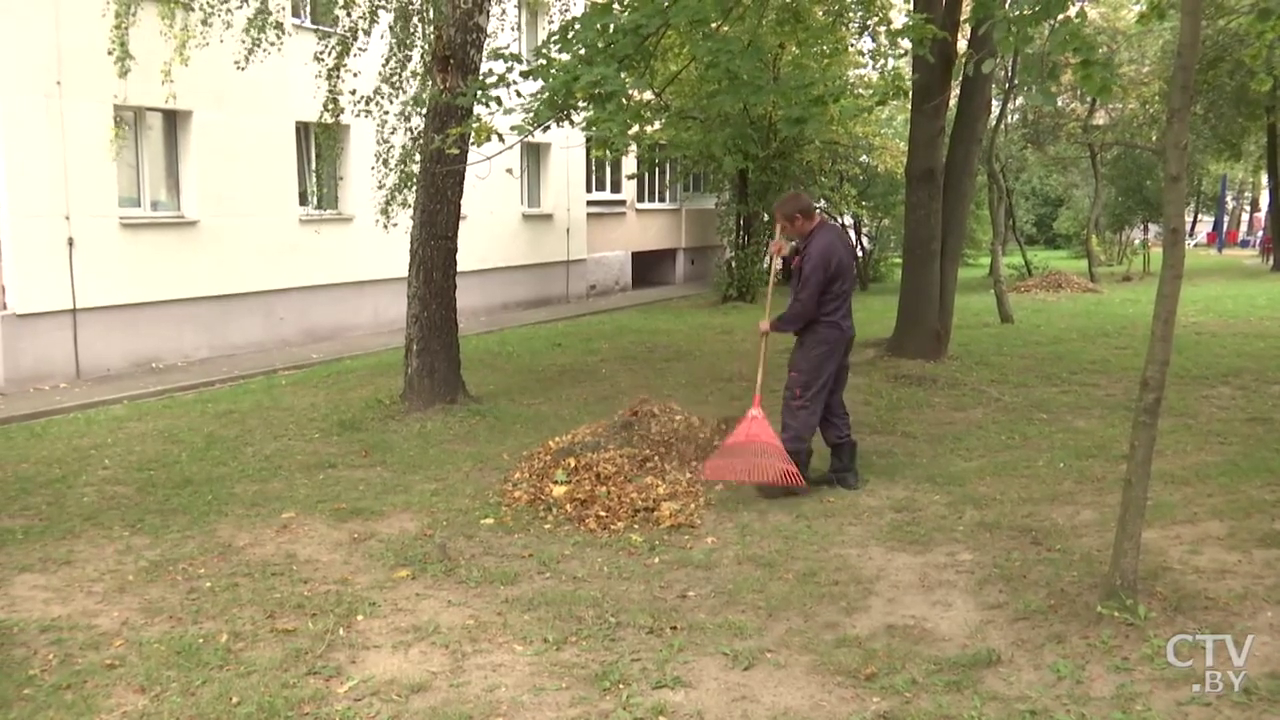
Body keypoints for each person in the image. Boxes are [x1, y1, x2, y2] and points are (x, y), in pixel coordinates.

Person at [756, 191, 861, 497]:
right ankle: (845, 470)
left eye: (786, 228)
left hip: (821, 336)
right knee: (828, 398)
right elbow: (816, 261)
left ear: (799, 219)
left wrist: (774, 324)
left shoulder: (819, 251)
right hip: (840, 332)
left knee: (800, 395)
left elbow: (805, 306)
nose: (785, 233)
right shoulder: (831, 236)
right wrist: (789, 251)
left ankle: (789, 474)